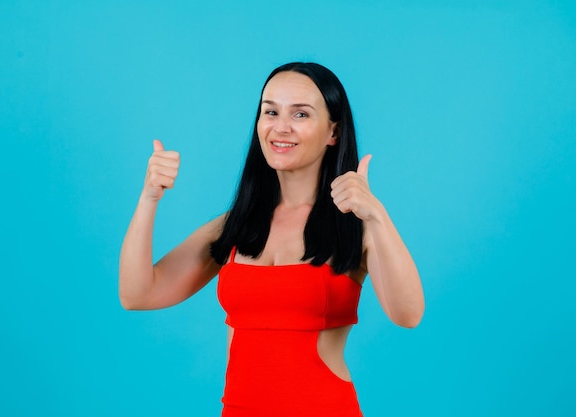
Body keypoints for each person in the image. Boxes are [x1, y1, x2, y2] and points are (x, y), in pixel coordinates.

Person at [119, 62, 425, 417]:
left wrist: (377, 216)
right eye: (270, 111)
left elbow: (408, 314)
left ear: (333, 132)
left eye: (300, 114)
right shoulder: (236, 226)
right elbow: (138, 293)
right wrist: (148, 199)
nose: (281, 127)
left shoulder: (355, 226)